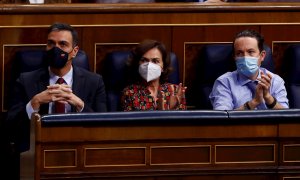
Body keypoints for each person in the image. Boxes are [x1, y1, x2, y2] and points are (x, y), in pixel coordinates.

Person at [4, 22, 107, 179]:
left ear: (74, 51)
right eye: (51, 43)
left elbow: (104, 127)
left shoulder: (94, 82)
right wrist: (34, 103)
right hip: (39, 152)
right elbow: (10, 127)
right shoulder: (26, 80)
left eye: (62, 44)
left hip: (79, 152)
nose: (55, 49)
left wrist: (79, 104)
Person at [209, 29, 289, 110]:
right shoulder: (224, 82)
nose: (245, 57)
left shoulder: (275, 81)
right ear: (234, 57)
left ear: (262, 56)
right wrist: (253, 103)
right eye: (239, 53)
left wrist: (268, 98)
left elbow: (287, 118)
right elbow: (222, 119)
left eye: (250, 52)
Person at [121, 39, 187, 111]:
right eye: (144, 60)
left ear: (163, 66)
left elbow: (182, 121)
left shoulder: (175, 91)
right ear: (138, 65)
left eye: (155, 61)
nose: (149, 65)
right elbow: (129, 121)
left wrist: (171, 109)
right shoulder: (130, 93)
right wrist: (162, 112)